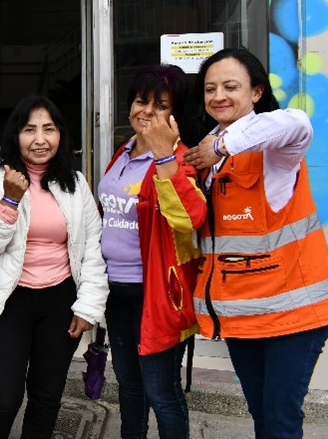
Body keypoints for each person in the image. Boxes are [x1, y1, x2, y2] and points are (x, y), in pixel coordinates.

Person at [182, 48, 328, 439]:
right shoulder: (207, 154)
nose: (219, 97)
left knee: (280, 423)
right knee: (263, 420)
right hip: (242, 316)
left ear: (257, 92)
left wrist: (224, 144)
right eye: (210, 88)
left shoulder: (274, 149)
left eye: (231, 86)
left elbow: (297, 122)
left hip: (293, 315)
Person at [0, 95, 108, 438]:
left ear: (60, 135)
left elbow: (92, 249)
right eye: (30, 130)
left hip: (59, 301)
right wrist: (11, 200)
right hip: (6, 299)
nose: (40, 139)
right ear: (15, 135)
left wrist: (89, 306)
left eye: (49, 129)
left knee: (46, 397)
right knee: (2, 398)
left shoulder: (75, 183)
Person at [98, 65, 206, 439]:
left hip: (157, 293)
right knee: (128, 386)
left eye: (160, 105)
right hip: (117, 290)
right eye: (141, 101)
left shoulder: (182, 160)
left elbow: (188, 219)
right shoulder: (123, 152)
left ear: (175, 115)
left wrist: (164, 159)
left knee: (162, 391)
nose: (146, 111)